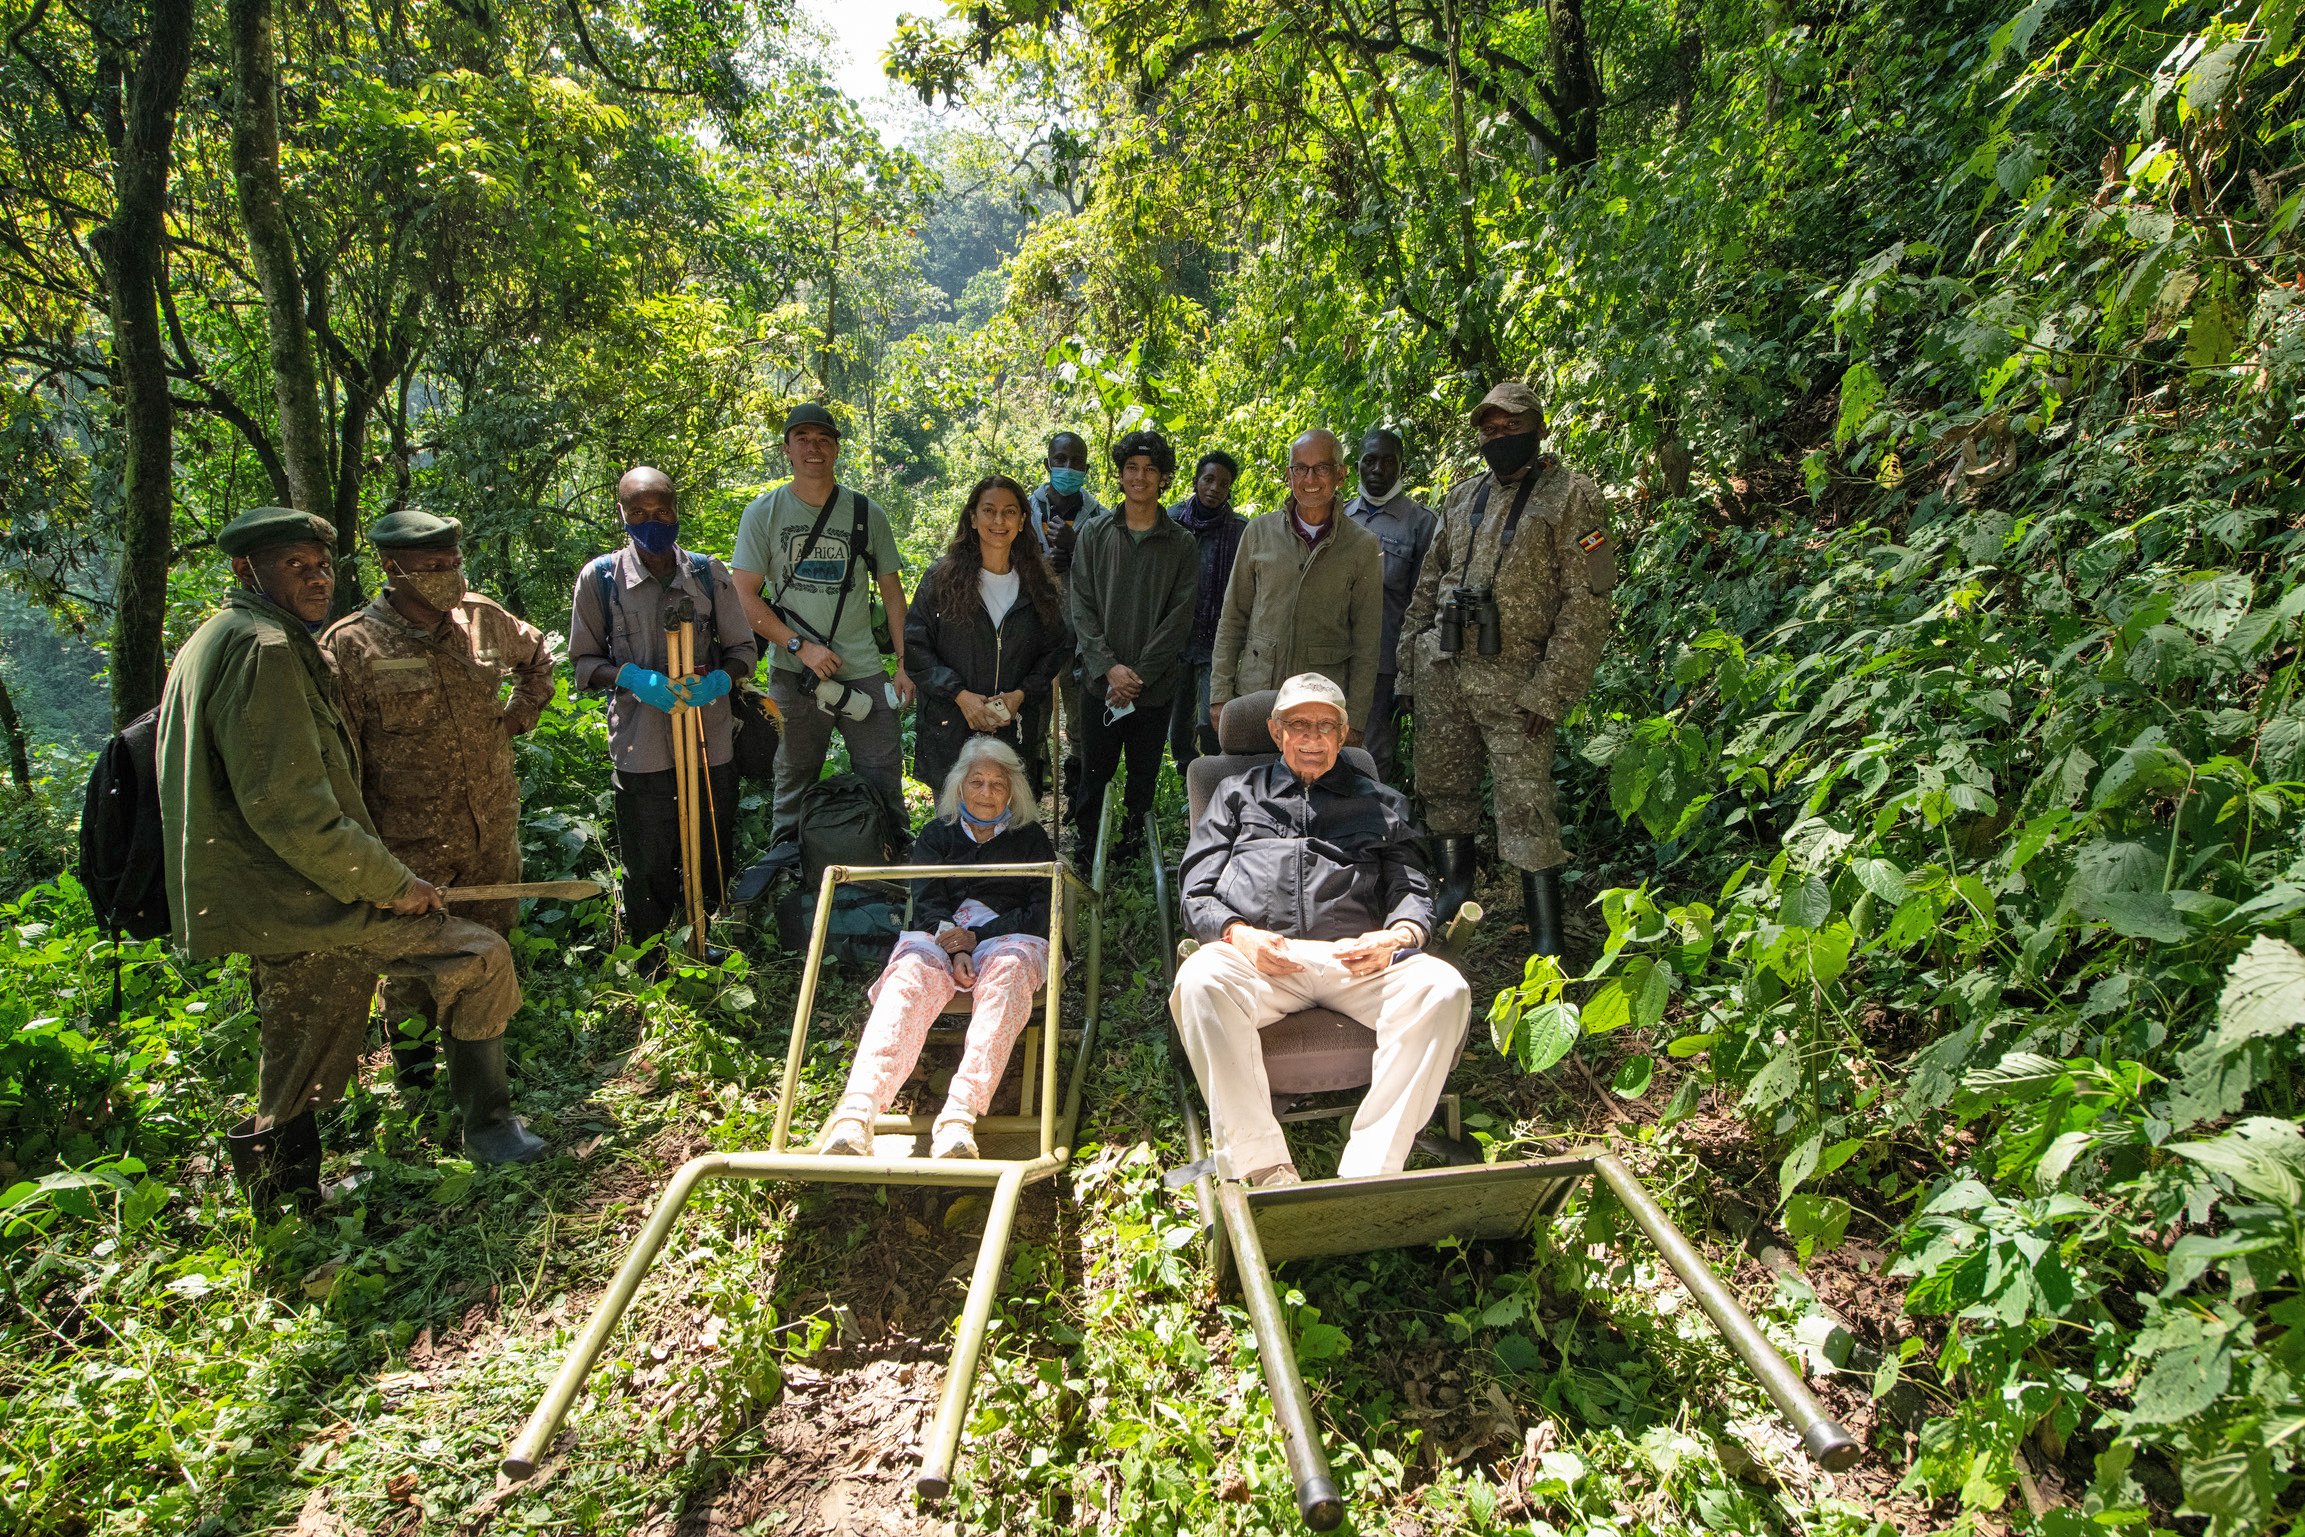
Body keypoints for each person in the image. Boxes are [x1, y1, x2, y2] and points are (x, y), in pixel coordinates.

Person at [157, 508, 528, 1206]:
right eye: (295, 565)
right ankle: (298, 1205)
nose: (316, 576)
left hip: (291, 894)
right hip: (303, 901)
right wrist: (393, 882)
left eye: (321, 563)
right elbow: (291, 809)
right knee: (469, 962)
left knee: (306, 1043)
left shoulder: (226, 636)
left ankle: (301, 1196)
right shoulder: (265, 647)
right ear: (246, 570)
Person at [1169, 674, 1470, 1185]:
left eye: (1325, 725)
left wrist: (1395, 937)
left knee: (1444, 990)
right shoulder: (1234, 793)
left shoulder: (1382, 802)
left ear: (1344, 733)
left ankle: (1371, 1169)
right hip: (1262, 960)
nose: (1312, 738)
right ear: (1275, 730)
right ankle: (1263, 1166)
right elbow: (1196, 891)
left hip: (1356, 960)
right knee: (1199, 980)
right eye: (1299, 725)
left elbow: (1413, 890)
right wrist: (1240, 934)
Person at [320, 511, 553, 1145]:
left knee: (490, 955)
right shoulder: (350, 647)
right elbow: (338, 761)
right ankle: (419, 1085)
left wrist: (516, 720)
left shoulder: (482, 618)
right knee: (417, 973)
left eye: (454, 563)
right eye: (432, 569)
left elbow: (539, 661)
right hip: (409, 849)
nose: (450, 577)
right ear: (393, 570)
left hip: (490, 829)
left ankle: (482, 1080)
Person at [1397, 382, 1615, 957]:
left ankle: (1546, 937)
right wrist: (1408, 669)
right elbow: (1428, 583)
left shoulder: (1573, 496)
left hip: (1517, 682)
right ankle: (1455, 895)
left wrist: (1551, 691)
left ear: (1538, 427)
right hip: (1443, 670)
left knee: (1526, 804)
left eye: (1510, 427)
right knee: (1443, 789)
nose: (1499, 438)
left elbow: (1588, 603)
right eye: (1489, 430)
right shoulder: (1463, 494)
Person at [819, 738, 1054, 1161]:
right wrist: (954, 946)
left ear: (1012, 791)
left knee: (1010, 969)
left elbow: (1042, 911)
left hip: (1007, 939)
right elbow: (926, 898)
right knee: (908, 974)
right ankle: (857, 1112)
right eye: (976, 782)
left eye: (997, 784)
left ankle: (960, 1115)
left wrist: (978, 939)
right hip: (940, 936)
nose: (986, 793)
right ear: (959, 787)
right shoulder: (936, 834)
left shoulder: (1031, 838)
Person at [569, 466, 759, 950]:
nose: (651, 520)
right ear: (622, 514)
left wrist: (718, 679)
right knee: (648, 856)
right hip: (641, 745)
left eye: (662, 510)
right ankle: (653, 954)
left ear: (677, 511)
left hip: (708, 738)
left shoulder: (706, 572)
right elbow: (585, 662)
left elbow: (743, 652)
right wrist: (631, 677)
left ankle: (707, 938)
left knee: (711, 845)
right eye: (638, 512)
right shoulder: (600, 578)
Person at [731, 403, 912, 843]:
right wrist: (799, 647)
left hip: (864, 669)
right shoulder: (764, 513)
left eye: (824, 440)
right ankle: (789, 869)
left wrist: (904, 664)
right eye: (804, 440)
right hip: (794, 674)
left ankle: (892, 862)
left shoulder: (867, 513)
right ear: (787, 450)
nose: (814, 448)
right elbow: (743, 595)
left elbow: (892, 592)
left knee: (883, 774)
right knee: (793, 776)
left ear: (836, 449)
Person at [1068, 428, 1198, 863]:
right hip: (1099, 686)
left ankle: (1133, 850)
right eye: (1131, 469)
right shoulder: (1094, 533)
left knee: (1142, 775)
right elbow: (1081, 604)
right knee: (1095, 772)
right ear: (1120, 475)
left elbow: (1179, 618)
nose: (1139, 477)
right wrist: (1108, 668)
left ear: (1163, 479)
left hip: (1153, 689)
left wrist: (1137, 674)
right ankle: (1089, 851)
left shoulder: (1181, 543)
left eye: (1149, 470)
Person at [1208, 429, 1385, 747]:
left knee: (1310, 793)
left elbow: (1366, 643)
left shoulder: (1362, 546)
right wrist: (1220, 695)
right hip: (1256, 698)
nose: (1310, 478)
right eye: (1300, 468)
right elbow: (1232, 617)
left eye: (1322, 468)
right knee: (1250, 790)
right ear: (1288, 476)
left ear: (1341, 475)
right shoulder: (1259, 532)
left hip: (1322, 707)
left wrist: (1355, 719)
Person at [906, 475, 1073, 796]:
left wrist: (1020, 695)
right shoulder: (941, 578)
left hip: (1013, 726)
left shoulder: (1038, 583)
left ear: (1023, 520)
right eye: (989, 510)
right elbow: (916, 647)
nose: (999, 520)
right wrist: (960, 695)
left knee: (1007, 823)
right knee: (954, 827)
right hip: (951, 724)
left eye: (1010, 512)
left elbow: (1054, 650)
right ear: (972, 517)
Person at [1344, 428, 1437, 782]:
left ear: (1401, 466)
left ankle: (1371, 831)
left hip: (1384, 662)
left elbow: (1425, 605)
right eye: (1369, 460)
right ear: (1357, 466)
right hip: (1335, 654)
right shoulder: (1339, 516)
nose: (1377, 469)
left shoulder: (1421, 523)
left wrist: (1409, 673)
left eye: (1387, 461)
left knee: (1374, 754)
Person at [1028, 430, 1107, 804]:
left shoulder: (1100, 519)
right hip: (1035, 635)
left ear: (1087, 468)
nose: (1067, 468)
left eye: (1076, 462)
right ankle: (1032, 793)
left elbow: (1113, 575)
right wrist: (1041, 566)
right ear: (1047, 463)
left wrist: (1077, 552)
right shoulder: (1025, 510)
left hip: (1082, 637)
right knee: (1034, 717)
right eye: (1060, 460)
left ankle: (1078, 796)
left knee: (1080, 721)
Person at [1166, 449, 1245, 774]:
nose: (1214, 488)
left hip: (1216, 639)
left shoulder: (1240, 530)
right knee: (1179, 716)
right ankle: (1186, 775)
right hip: (1177, 636)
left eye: (1223, 484)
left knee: (1210, 719)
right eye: (1208, 479)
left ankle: (1215, 777)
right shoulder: (1172, 521)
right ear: (1196, 480)